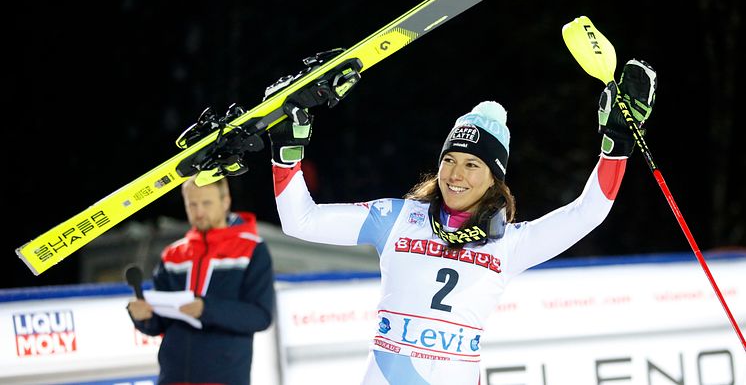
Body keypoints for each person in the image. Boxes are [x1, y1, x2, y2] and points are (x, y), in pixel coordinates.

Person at [267, 59, 656, 384]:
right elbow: (301, 222)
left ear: (494, 178)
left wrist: (616, 143)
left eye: (472, 165)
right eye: (449, 161)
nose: (456, 175)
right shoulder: (398, 218)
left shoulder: (509, 243)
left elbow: (589, 211)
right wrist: (287, 153)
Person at [127, 176, 275, 385]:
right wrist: (142, 317)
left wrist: (206, 309)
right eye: (192, 204)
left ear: (226, 202)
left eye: (206, 203)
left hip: (224, 378)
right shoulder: (173, 254)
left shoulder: (252, 249)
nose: (199, 212)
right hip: (173, 377)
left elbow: (260, 316)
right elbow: (158, 324)